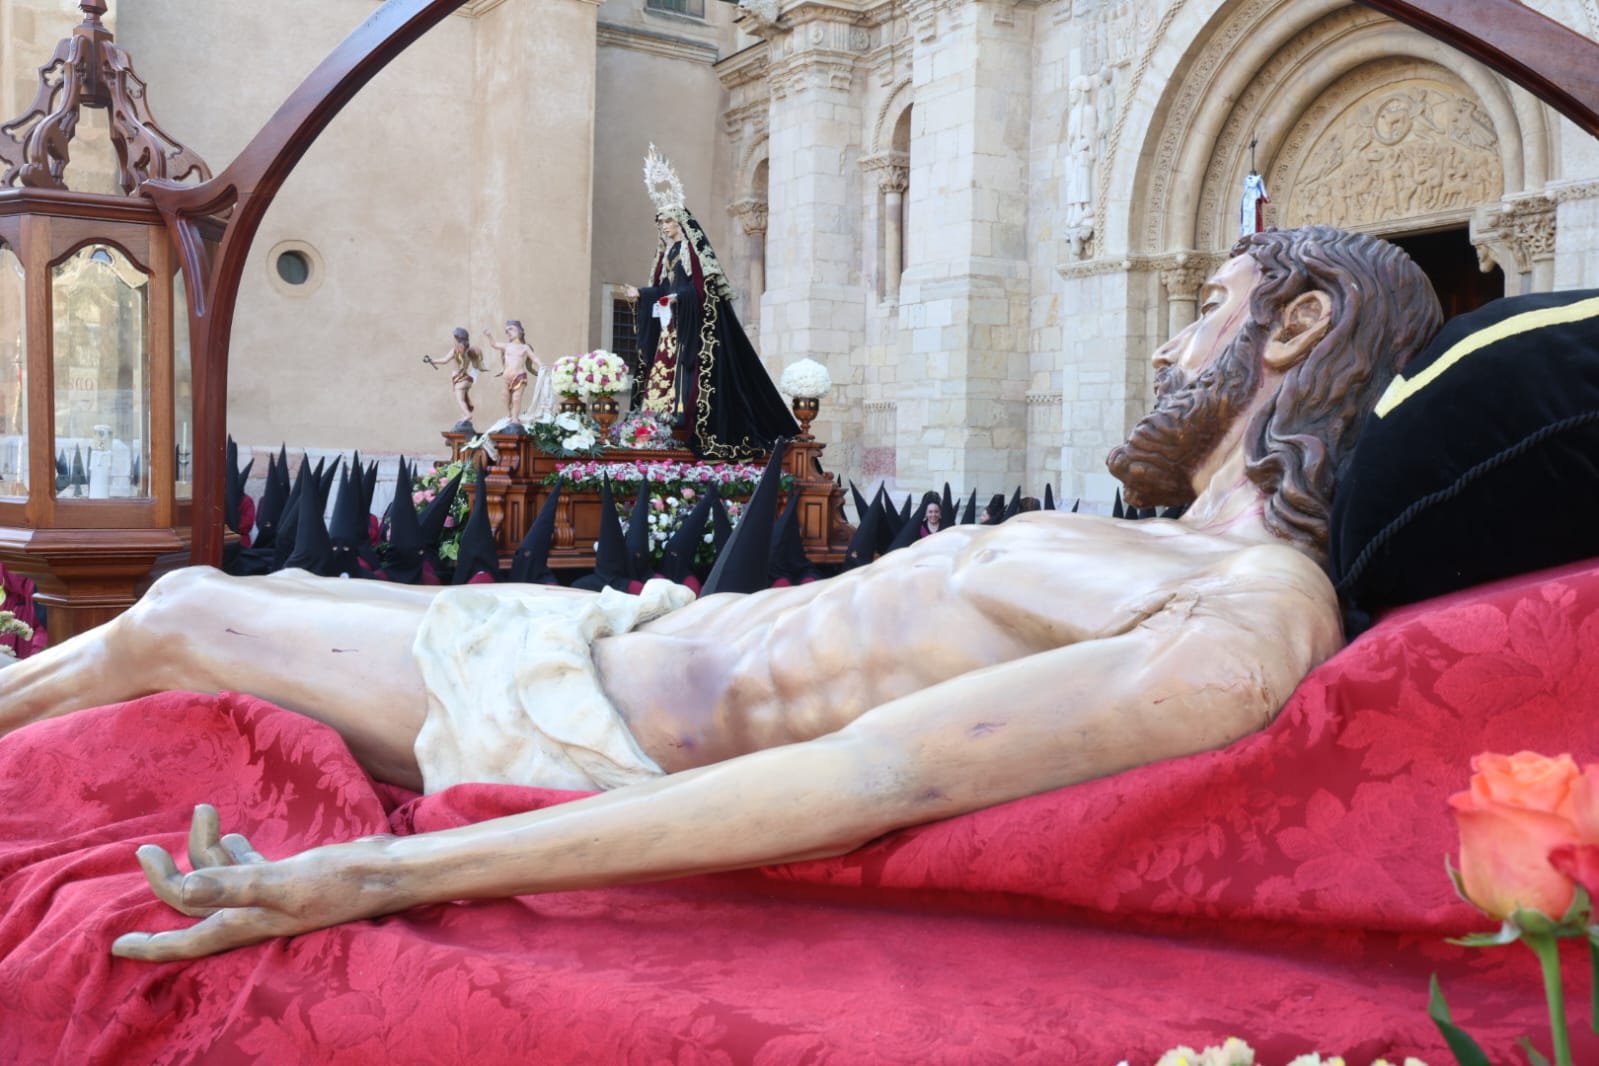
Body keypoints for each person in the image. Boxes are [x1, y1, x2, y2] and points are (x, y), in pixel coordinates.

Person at [0, 225, 1442, 962]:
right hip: (609, 636)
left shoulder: (1248, 611)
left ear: (1293, 326)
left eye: (1201, 305)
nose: (1161, 349)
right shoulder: (1165, 559)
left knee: (187, 613)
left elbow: (862, 771)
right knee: (223, 589)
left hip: (584, 726)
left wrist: (376, 872)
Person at [621, 145, 797, 462]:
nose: (663, 227)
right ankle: (658, 423)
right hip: (670, 325)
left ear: (679, 222)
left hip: (690, 326)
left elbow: (700, 289)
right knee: (661, 370)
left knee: (688, 376)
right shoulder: (665, 254)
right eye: (660, 224)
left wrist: (676, 297)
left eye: (667, 222)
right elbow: (662, 285)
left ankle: (681, 423)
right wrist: (642, 294)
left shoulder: (691, 250)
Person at [481, 320, 540, 429]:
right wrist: (489, 335)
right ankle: (509, 415)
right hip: (507, 378)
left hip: (519, 377)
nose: (508, 332)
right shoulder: (506, 346)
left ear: (520, 331)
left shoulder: (525, 347)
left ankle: (514, 418)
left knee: (516, 398)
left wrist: (541, 366)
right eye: (507, 330)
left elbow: (534, 358)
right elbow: (494, 344)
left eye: (511, 329)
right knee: (505, 397)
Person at [421, 328, 484, 430]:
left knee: (460, 400)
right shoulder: (470, 350)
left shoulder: (456, 350)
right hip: (467, 379)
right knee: (464, 399)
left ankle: (467, 415)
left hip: (459, 379)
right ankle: (465, 415)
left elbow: (444, 360)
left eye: (454, 337)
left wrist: (433, 360)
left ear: (457, 338)